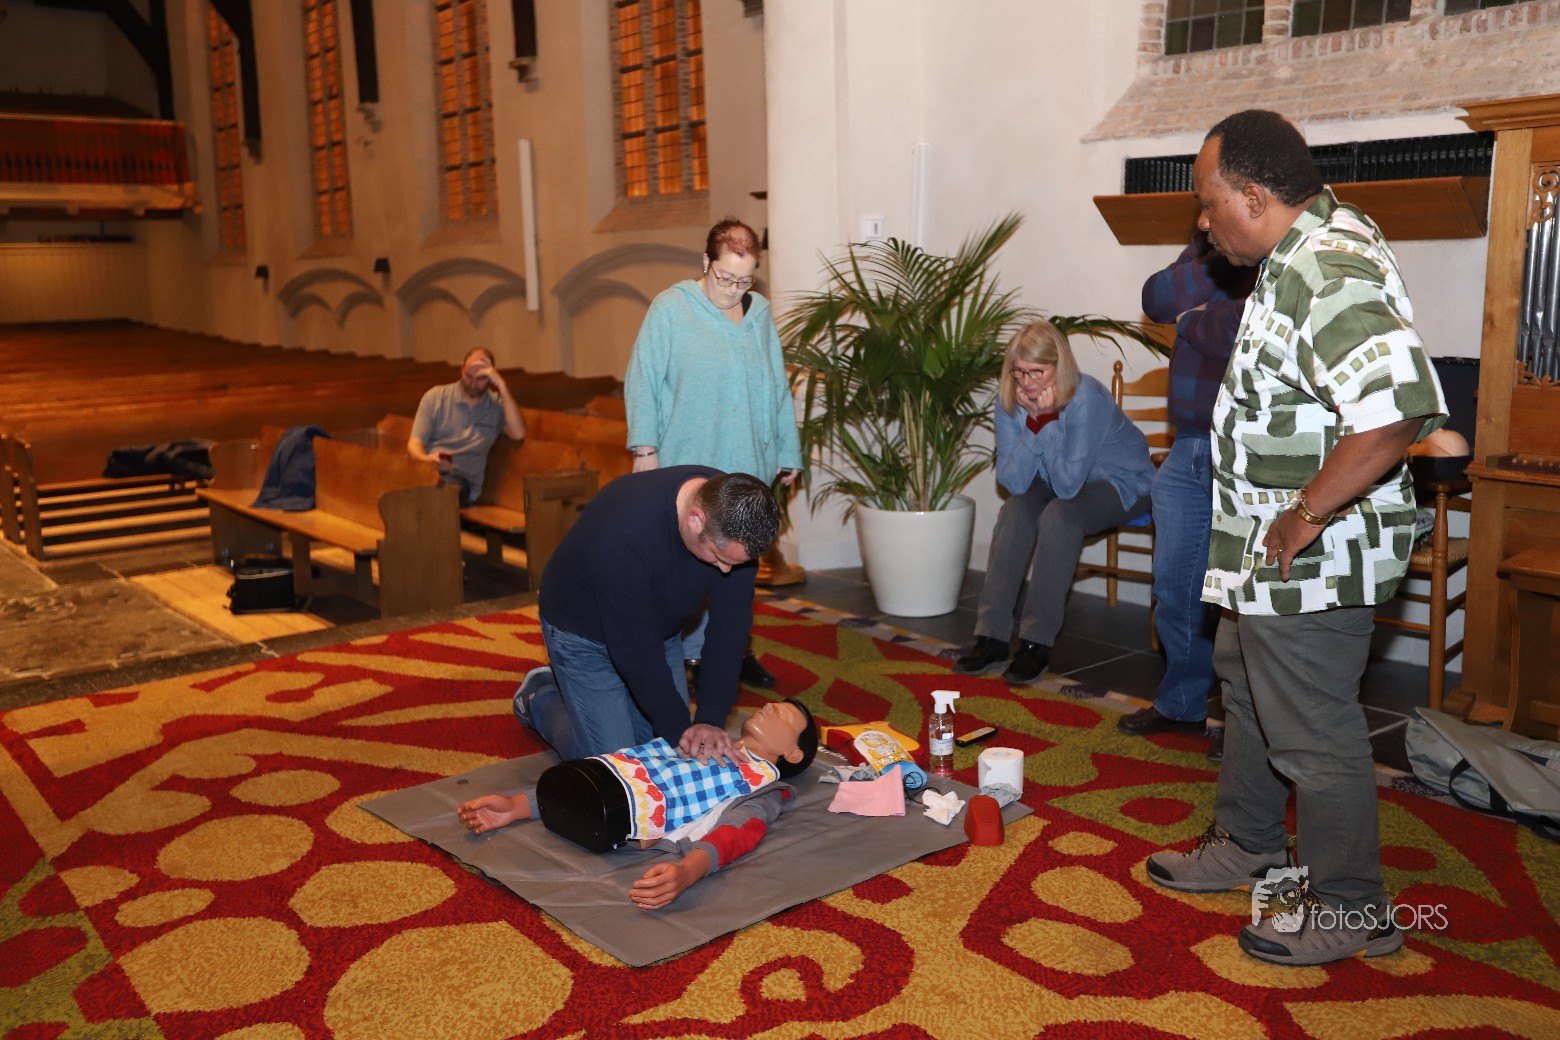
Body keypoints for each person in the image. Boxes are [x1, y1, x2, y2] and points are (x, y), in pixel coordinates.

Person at [1144, 110, 1446, 966]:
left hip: (1313, 556)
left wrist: (1307, 512)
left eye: (1208, 202)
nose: (1202, 221)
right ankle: (1249, 845)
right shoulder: (1299, 249)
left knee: (1312, 731)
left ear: (1252, 195)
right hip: (1265, 553)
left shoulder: (1327, 267)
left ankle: (1353, 910)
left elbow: (1394, 412)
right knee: (1246, 691)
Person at [624, 218, 804, 690]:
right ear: (705, 262)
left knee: (739, 567)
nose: (733, 290)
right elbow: (643, 378)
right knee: (687, 567)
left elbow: (776, 384)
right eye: (725, 277)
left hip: (748, 462)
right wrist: (645, 448)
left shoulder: (759, 313)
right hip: (689, 461)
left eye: (745, 280)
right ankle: (683, 655)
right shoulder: (671, 307)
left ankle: (734, 651)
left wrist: (787, 448)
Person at [518, 466, 781, 767]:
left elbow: (730, 629)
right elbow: (635, 650)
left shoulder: (736, 516)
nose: (726, 571)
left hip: (659, 630)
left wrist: (710, 719)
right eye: (719, 558)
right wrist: (679, 728)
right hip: (582, 634)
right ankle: (539, 697)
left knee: (667, 755)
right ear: (695, 519)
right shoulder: (621, 531)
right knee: (618, 764)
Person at [457, 699, 819, 910]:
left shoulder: (763, 788)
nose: (769, 705)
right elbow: (638, 765)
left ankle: (539, 698)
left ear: (793, 753)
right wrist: (522, 804)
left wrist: (690, 871)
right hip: (597, 786)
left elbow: (737, 833)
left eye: (784, 716)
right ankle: (540, 696)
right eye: (774, 705)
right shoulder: (708, 739)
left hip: (618, 819)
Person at [1117, 232, 1256, 761]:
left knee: (1243, 597)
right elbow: (1156, 298)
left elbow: (1243, 330)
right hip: (1186, 446)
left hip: (1246, 451)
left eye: (1211, 204)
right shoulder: (1209, 248)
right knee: (1174, 586)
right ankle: (1181, 703)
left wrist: (1193, 319)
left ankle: (1245, 726)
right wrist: (1217, 257)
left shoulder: (1279, 252)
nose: (1202, 217)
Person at [953, 321, 1155, 683]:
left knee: (1060, 517)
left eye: (1037, 372)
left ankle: (1036, 642)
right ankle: (991, 636)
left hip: (1124, 484)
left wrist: (1043, 421)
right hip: (1058, 479)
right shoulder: (1010, 400)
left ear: (1058, 366)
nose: (1027, 382)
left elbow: (1068, 487)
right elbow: (1013, 482)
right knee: (1015, 511)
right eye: (1019, 372)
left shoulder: (1086, 398)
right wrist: (1034, 426)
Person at [406, 346, 526, 506]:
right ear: (462, 368)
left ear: (491, 377)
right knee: (412, 489)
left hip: (462, 482)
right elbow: (414, 444)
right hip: (428, 474)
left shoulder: (496, 406)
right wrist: (427, 460)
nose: (473, 384)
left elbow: (518, 433)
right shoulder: (436, 397)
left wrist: (502, 385)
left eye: (481, 378)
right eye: (469, 376)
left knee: (441, 493)